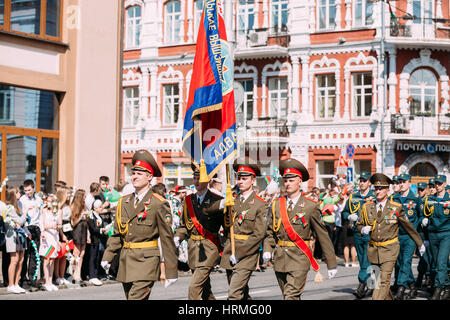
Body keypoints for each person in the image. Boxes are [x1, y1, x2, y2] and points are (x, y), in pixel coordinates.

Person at [101, 149, 178, 300]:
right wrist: (108, 256)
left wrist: (170, 270)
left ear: (149, 177)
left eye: (139, 174)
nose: (134, 177)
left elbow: (167, 238)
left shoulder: (158, 203)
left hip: (146, 262)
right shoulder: (124, 201)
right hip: (126, 261)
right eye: (133, 173)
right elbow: (117, 233)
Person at [263, 158, 337, 300]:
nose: (287, 184)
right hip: (280, 258)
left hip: (299, 258)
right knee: (290, 296)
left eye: (291, 180)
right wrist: (267, 249)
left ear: (299, 181)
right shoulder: (276, 204)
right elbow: (270, 232)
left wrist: (331, 262)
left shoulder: (310, 206)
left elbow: (323, 236)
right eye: (285, 180)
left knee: (290, 296)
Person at [356, 173, 425, 300]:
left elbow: (408, 227)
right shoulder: (367, 207)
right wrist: (362, 229)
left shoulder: (396, 208)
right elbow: (359, 225)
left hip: (390, 249)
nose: (378, 191)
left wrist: (419, 243)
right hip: (373, 250)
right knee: (377, 282)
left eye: (381, 188)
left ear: (388, 190)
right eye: (376, 189)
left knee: (383, 282)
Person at [174, 164, 225, 300]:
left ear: (208, 181)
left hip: (209, 248)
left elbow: (226, 225)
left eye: (199, 178)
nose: (196, 181)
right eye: (194, 178)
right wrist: (177, 237)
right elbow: (184, 225)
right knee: (205, 289)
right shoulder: (188, 200)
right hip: (193, 249)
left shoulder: (217, 200)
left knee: (194, 287)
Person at [220, 158, 267, 300]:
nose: (240, 181)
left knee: (234, 295)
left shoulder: (260, 204)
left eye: (244, 179)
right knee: (242, 293)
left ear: (253, 180)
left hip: (246, 253)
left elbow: (258, 235)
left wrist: (239, 253)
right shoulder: (232, 201)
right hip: (231, 249)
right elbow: (227, 227)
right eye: (239, 178)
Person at [341, 171, 375, 298]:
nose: (361, 183)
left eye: (364, 181)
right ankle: (372, 284)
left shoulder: (374, 197)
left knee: (368, 259)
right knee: (362, 259)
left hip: (370, 232)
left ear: (369, 183)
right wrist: (349, 215)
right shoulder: (353, 197)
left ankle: (361, 285)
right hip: (357, 232)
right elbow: (344, 212)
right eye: (360, 181)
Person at [392, 173, 423, 300]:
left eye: (404, 182)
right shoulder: (394, 198)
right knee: (399, 262)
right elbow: (389, 215)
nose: (401, 184)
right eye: (399, 182)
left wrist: (420, 223)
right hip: (397, 235)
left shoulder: (415, 198)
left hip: (410, 235)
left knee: (406, 261)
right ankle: (412, 284)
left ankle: (401, 287)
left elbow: (421, 215)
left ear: (409, 183)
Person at [421, 174, 449, 300]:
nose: (437, 186)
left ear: (444, 184)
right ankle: (447, 286)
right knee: (436, 263)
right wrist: (424, 219)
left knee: (441, 262)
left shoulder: (449, 199)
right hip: (432, 234)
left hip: (445, 234)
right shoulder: (429, 199)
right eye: (436, 184)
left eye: (439, 183)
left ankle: (438, 288)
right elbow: (422, 213)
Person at [4, 187, 31, 294]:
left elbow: (22, 223)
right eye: (18, 192)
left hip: (21, 235)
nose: (20, 193)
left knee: (21, 260)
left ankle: (16, 284)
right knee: (14, 260)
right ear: (13, 195)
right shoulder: (10, 207)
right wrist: (26, 212)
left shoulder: (19, 205)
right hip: (13, 237)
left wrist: (26, 231)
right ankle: (10, 285)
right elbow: (20, 220)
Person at [18, 179, 43, 290]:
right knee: (25, 255)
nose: (28, 192)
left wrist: (41, 231)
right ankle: (23, 279)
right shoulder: (22, 200)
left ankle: (33, 278)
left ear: (33, 188)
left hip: (36, 228)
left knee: (34, 255)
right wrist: (26, 232)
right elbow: (21, 217)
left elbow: (41, 215)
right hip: (26, 228)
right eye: (25, 190)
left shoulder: (39, 199)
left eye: (29, 190)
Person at [39, 194, 62, 291]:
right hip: (47, 236)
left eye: (50, 201)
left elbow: (60, 224)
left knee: (52, 259)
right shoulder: (44, 211)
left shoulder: (58, 211)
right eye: (47, 201)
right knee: (47, 258)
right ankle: (46, 281)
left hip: (54, 236)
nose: (48, 203)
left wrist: (57, 226)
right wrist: (46, 229)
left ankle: (50, 280)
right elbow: (42, 224)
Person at [415, 182, 433, 292]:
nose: (420, 192)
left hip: (429, 232)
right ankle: (423, 276)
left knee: (429, 256)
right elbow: (417, 215)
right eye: (419, 190)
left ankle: (428, 276)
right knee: (422, 255)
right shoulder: (418, 200)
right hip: (421, 232)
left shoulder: (430, 200)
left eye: (422, 190)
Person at [70, 189, 89, 286]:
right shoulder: (74, 206)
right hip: (77, 231)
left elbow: (86, 222)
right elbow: (73, 223)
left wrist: (88, 235)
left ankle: (79, 273)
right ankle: (74, 274)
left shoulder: (84, 206)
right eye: (84, 196)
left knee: (82, 253)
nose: (85, 197)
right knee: (76, 254)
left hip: (84, 231)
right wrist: (81, 216)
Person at [54, 187, 72, 286]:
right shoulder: (58, 207)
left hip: (68, 230)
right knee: (59, 255)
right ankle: (56, 276)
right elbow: (59, 222)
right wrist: (62, 235)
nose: (69, 196)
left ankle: (62, 275)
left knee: (65, 256)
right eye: (67, 194)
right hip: (61, 231)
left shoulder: (67, 205)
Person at [87, 199, 106, 286]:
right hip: (93, 239)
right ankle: (92, 275)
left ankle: (96, 274)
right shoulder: (91, 216)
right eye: (100, 207)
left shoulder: (99, 216)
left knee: (98, 257)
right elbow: (93, 228)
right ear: (95, 208)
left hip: (99, 240)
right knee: (93, 257)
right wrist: (101, 230)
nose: (101, 208)